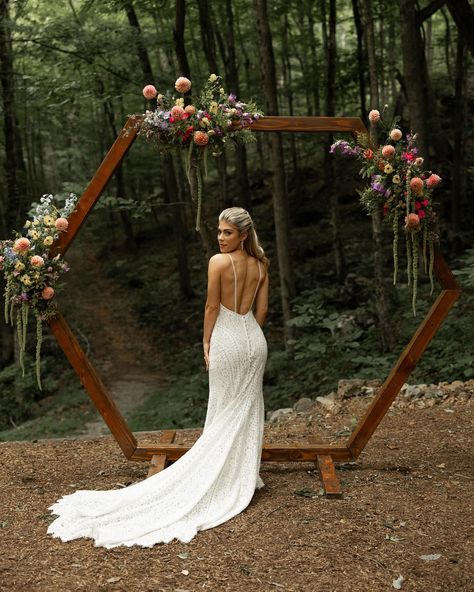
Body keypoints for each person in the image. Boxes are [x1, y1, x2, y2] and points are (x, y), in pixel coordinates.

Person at [47, 207, 269, 548]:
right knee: (245, 407)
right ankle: (241, 475)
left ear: (242, 234)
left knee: (225, 406)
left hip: (226, 337)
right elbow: (262, 311)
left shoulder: (218, 263)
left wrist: (207, 341)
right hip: (254, 338)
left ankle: (224, 476)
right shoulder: (261, 264)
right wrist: (249, 336)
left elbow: (211, 307)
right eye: (219, 231)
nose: (220, 237)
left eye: (227, 232)